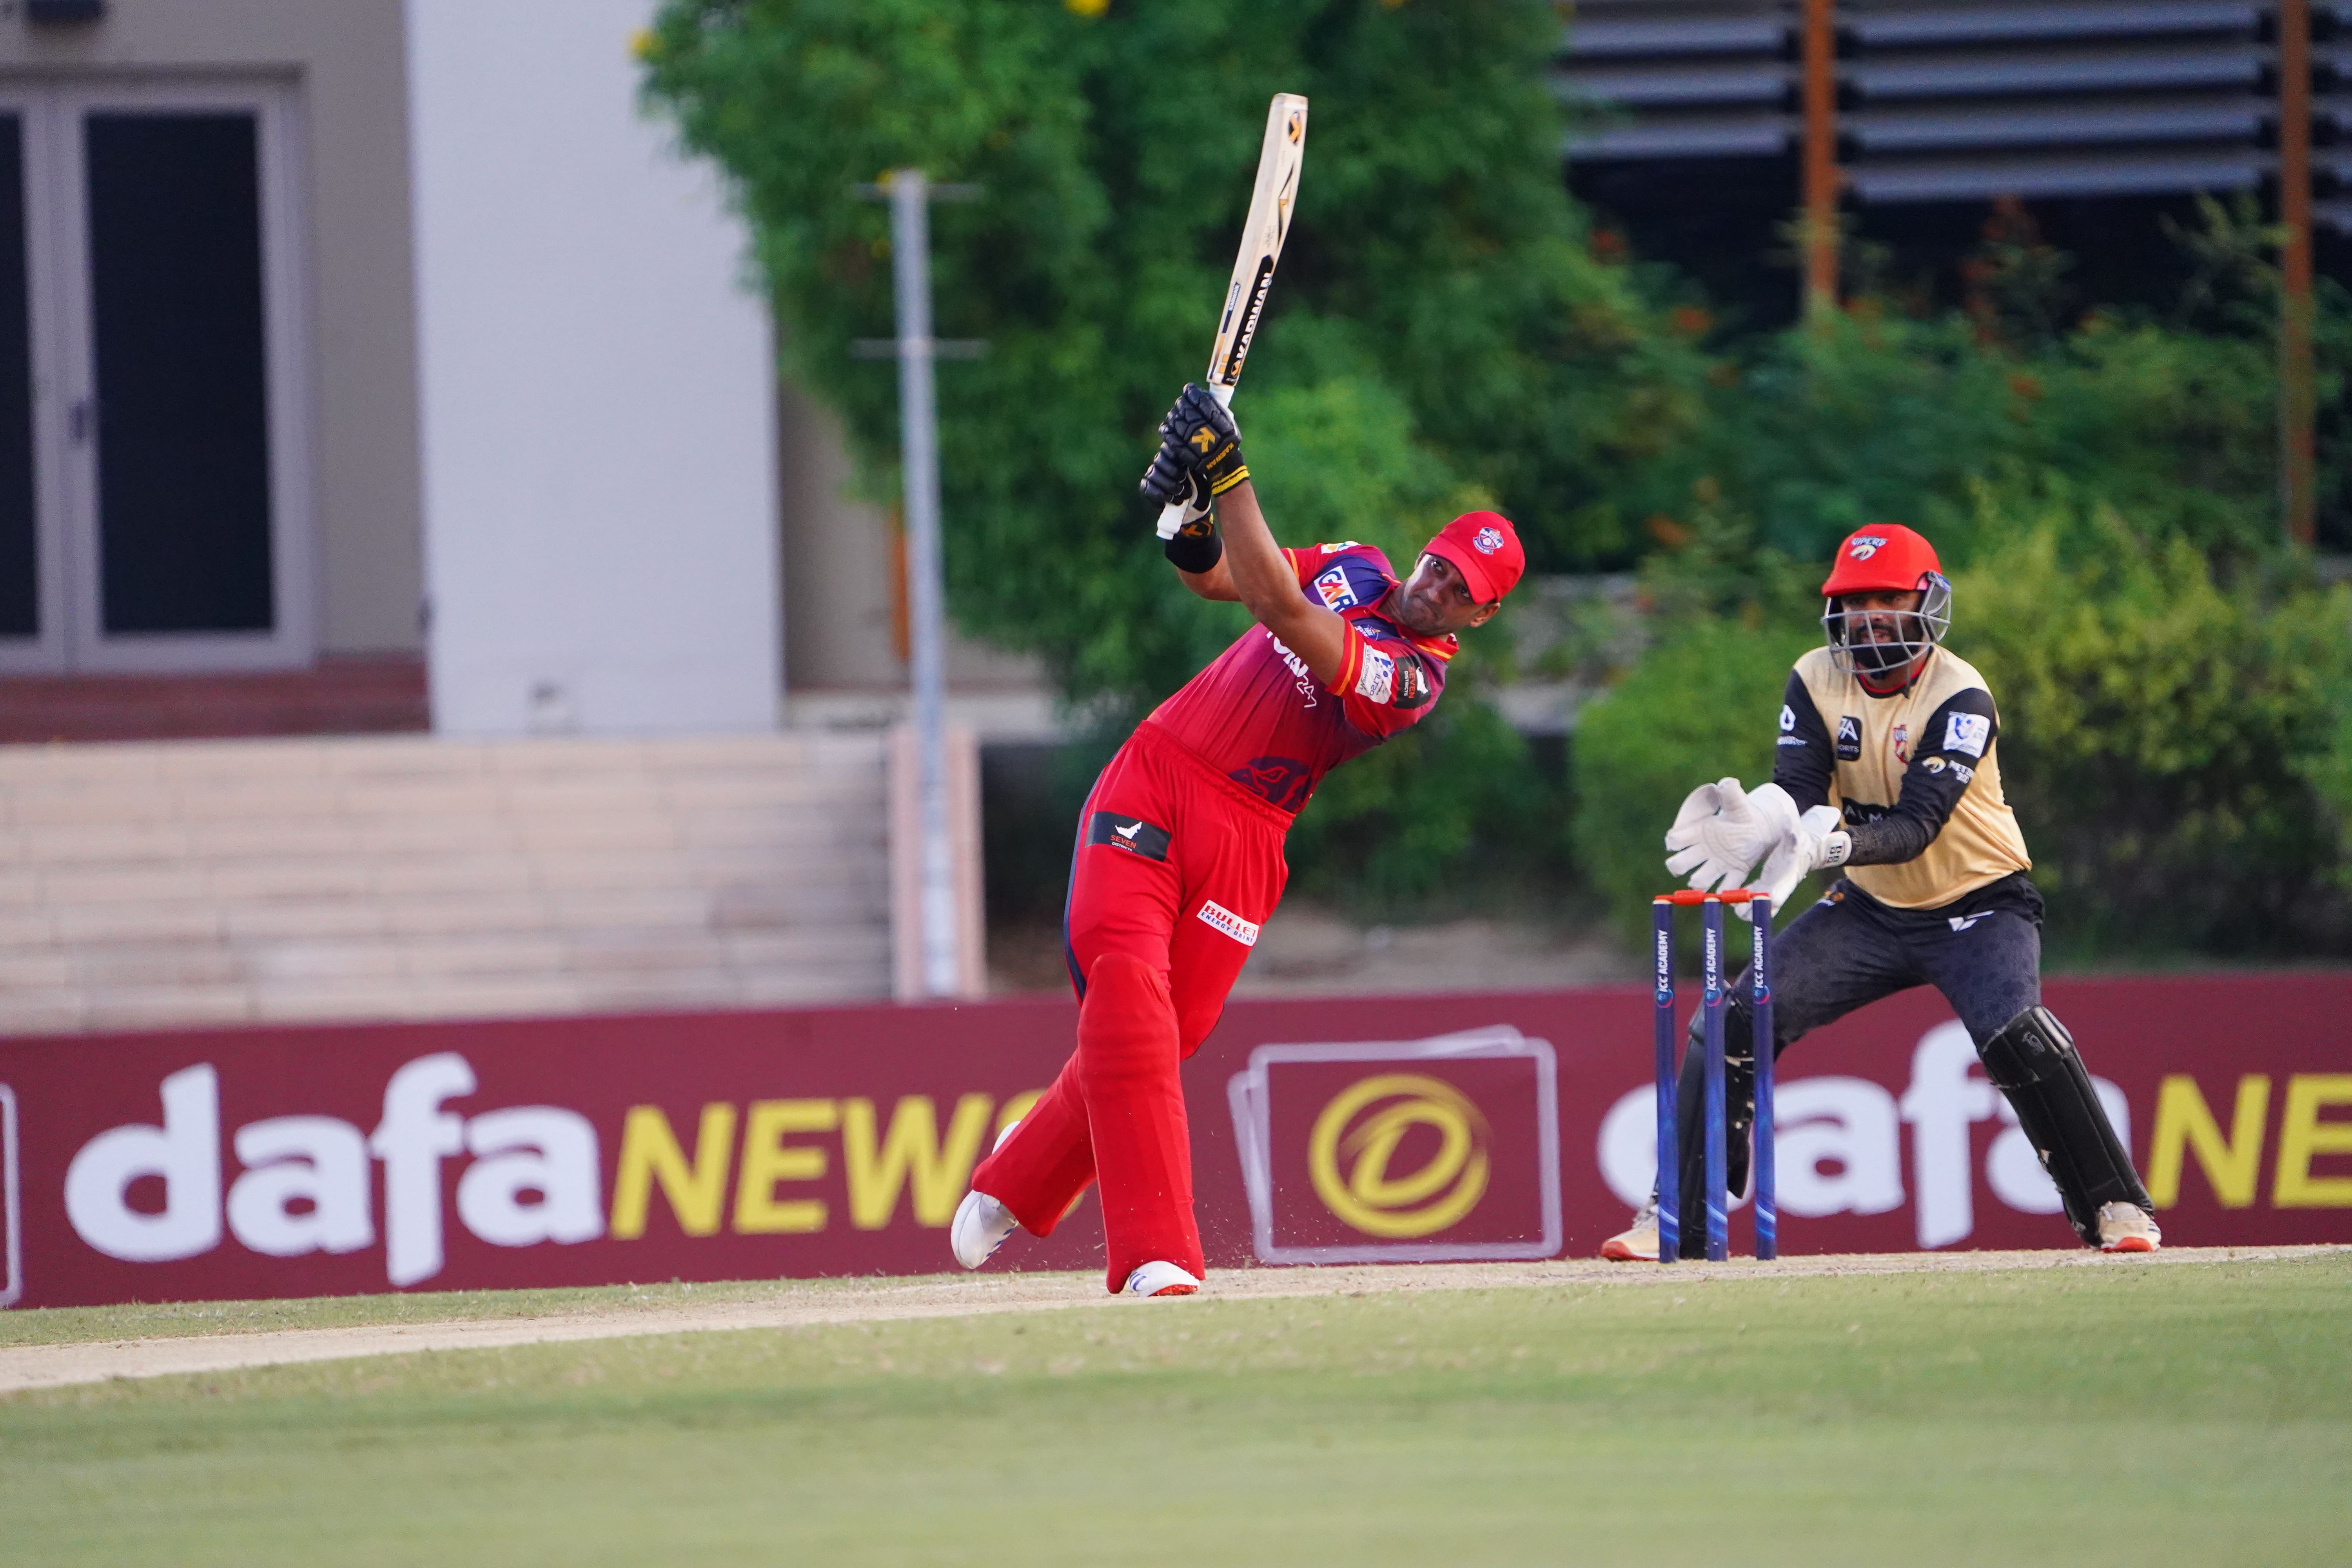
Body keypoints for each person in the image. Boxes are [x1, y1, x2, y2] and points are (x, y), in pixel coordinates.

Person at [949, 384, 1524, 1296]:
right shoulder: (1359, 563)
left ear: (1479, 617)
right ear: (1426, 549)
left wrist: (1231, 474)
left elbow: (1284, 613)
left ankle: (1020, 1171)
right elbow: (1220, 578)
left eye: (1463, 591)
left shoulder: (1414, 679)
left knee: (1168, 1032)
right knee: (1130, 989)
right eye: (1442, 564)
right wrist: (1189, 519)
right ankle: (1159, 1253)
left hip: (1250, 835)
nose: (1438, 586)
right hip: (1159, 772)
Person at [1602, 523, 2161, 1260]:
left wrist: (1833, 845)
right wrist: (1763, 819)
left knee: (2018, 1035)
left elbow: (1918, 826)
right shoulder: (1814, 676)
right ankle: (1678, 1218)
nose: (1869, 617)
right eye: (1855, 601)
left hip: (1981, 902)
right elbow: (1801, 787)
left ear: (1926, 602)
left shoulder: (1961, 695)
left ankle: (2115, 1206)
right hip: (1871, 910)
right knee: (1732, 1020)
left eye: (1887, 599)